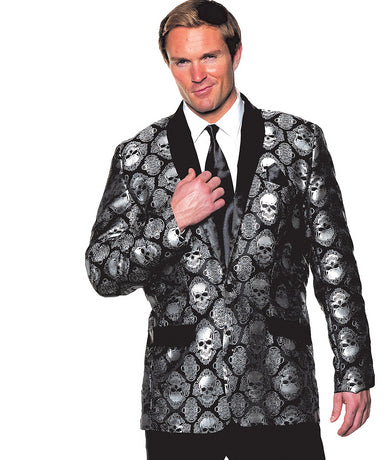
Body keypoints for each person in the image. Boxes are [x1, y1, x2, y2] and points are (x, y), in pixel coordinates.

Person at [85, 1, 375, 458]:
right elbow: (102, 272)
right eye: (182, 61)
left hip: (280, 393)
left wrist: (353, 369)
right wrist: (173, 222)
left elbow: (333, 264)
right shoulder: (137, 156)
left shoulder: (298, 143)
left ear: (235, 53)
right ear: (168, 64)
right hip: (178, 404)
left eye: (209, 57)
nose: (197, 75)